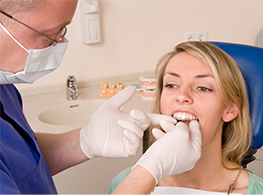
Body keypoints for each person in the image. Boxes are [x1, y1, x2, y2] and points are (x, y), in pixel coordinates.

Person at [0, 1, 202, 194]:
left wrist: (83, 141)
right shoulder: (120, 182)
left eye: (203, 88)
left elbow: (20, 159)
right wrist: (150, 169)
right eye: (51, 34)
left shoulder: (5, 87)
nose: (60, 43)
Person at [109, 41, 263, 194]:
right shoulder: (125, 183)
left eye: (203, 88)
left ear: (230, 109)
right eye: (171, 85)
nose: (182, 95)